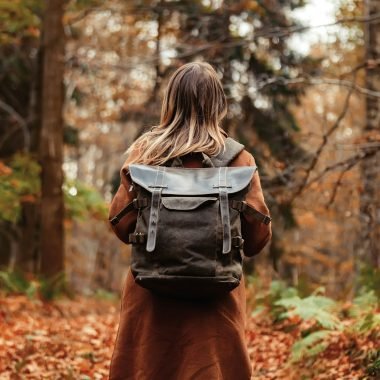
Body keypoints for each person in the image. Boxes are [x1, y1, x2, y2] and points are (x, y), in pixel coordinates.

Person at [108, 61, 272, 380]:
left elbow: (121, 225)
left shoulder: (144, 154)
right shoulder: (239, 159)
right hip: (216, 301)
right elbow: (256, 240)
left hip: (151, 297)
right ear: (216, 104)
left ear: (171, 102)